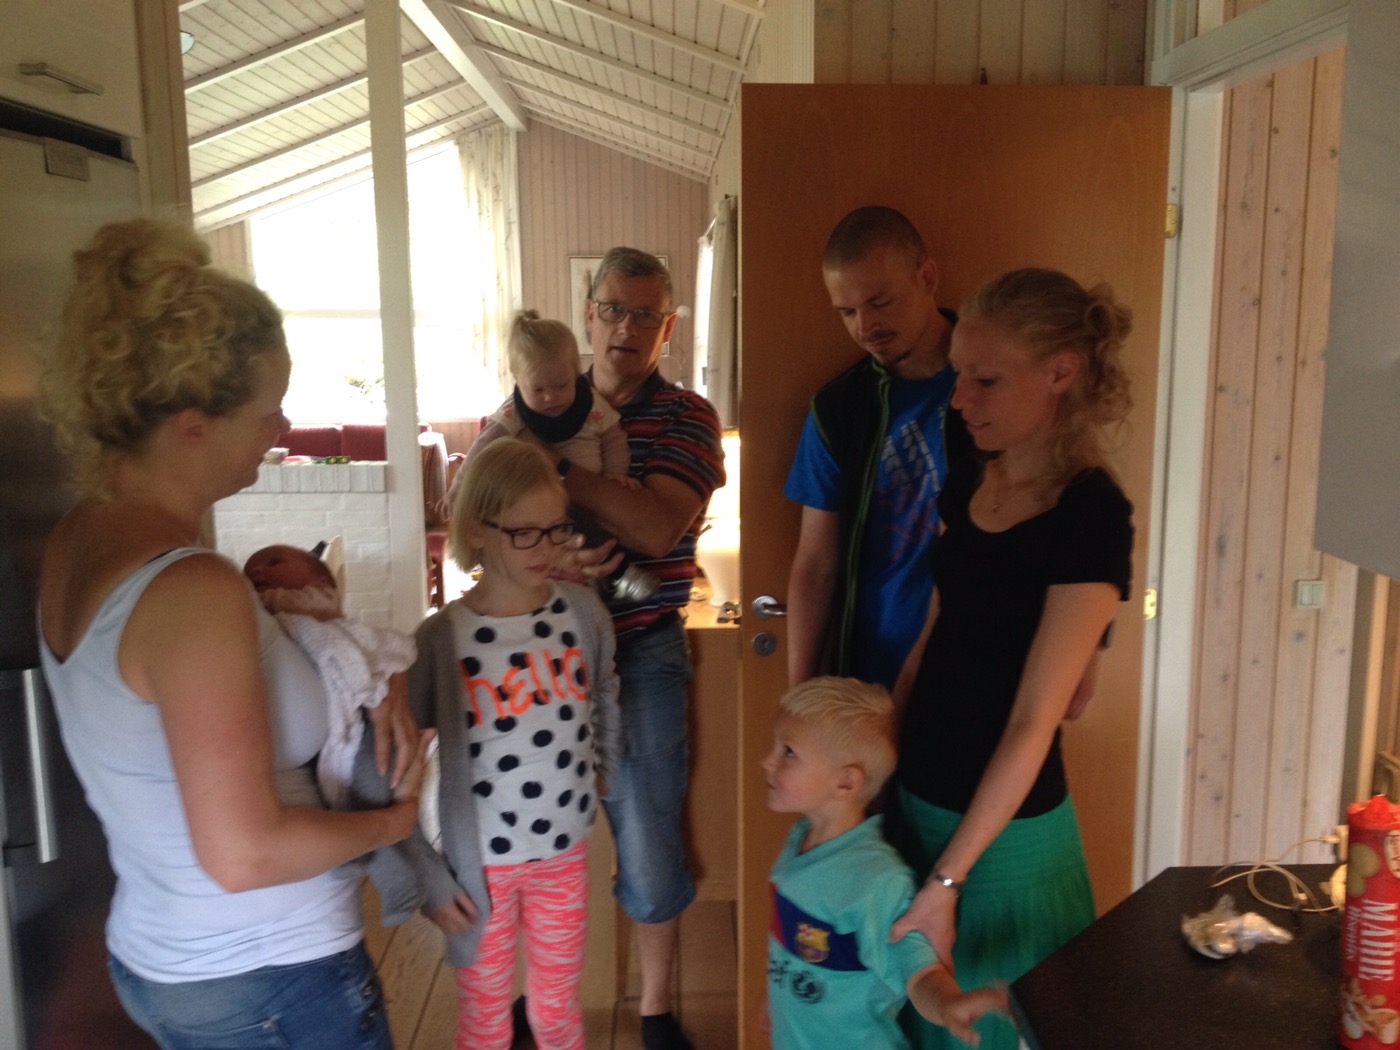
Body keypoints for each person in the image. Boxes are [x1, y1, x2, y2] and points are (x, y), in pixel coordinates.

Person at [36, 217, 431, 1049]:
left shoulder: (78, 539)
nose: (281, 431)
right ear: (193, 425)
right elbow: (245, 853)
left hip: (167, 958)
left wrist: (377, 681)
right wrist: (395, 824)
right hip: (270, 979)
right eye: (268, 411)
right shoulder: (192, 589)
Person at [887, 268, 1135, 1050]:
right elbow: (934, 636)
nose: (961, 399)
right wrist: (884, 774)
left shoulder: (1090, 512)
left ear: (1061, 371)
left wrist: (948, 880)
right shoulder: (971, 467)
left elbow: (1037, 719)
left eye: (985, 380)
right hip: (918, 807)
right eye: (959, 374)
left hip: (1003, 850)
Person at [361, 438, 621, 1050]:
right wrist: (427, 877)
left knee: (557, 1013)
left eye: (556, 529)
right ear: (478, 531)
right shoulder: (440, 639)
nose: (546, 548)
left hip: (564, 853)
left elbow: (605, 689)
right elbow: (387, 768)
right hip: (481, 868)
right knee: (485, 1020)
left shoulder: (582, 613)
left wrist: (603, 765)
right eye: (524, 533)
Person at [533, 246, 725, 1050]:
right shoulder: (537, 397)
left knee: (647, 839)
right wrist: (550, 548)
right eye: (614, 308)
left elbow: (654, 527)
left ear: (667, 328)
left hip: (642, 648)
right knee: (529, 830)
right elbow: (479, 519)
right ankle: (537, 1000)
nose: (627, 327)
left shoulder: (688, 417)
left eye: (646, 313)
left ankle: (654, 1010)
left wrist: (553, 471)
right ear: (588, 314)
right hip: (541, 651)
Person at [763, 676, 1008, 1050]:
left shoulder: (877, 880)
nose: (767, 761)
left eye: (789, 752)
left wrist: (947, 1004)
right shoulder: (799, 839)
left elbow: (919, 970)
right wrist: (773, 1001)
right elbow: (788, 944)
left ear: (846, 782)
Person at [783, 205, 968, 690]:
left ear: (927, 278)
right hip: (864, 681)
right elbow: (815, 565)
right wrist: (800, 699)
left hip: (972, 670)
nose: (865, 328)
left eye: (880, 302)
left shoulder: (993, 383)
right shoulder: (837, 410)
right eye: (847, 312)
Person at [243, 543, 416, 810]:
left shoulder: (321, 611)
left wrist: (390, 670)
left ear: (322, 581)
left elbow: (390, 648)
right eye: (248, 570)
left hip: (358, 712)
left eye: (274, 562)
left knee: (378, 766)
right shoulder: (249, 617)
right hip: (302, 753)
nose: (256, 570)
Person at [464, 309, 632, 483]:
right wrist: (458, 488)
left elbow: (614, 439)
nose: (550, 397)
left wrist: (615, 472)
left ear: (575, 374)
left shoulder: (590, 402)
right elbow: (483, 447)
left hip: (589, 495)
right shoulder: (515, 410)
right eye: (538, 390)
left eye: (562, 386)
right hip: (534, 497)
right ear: (518, 381)